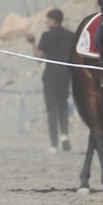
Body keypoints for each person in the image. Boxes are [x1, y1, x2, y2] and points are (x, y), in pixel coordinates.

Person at [25, 8, 74, 153]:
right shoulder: (71, 35)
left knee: (51, 108)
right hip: (65, 74)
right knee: (63, 105)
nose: (46, 22)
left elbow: (39, 57)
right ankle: (64, 135)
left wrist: (32, 42)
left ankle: (53, 144)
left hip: (51, 74)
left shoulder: (47, 36)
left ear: (53, 20)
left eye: (47, 19)